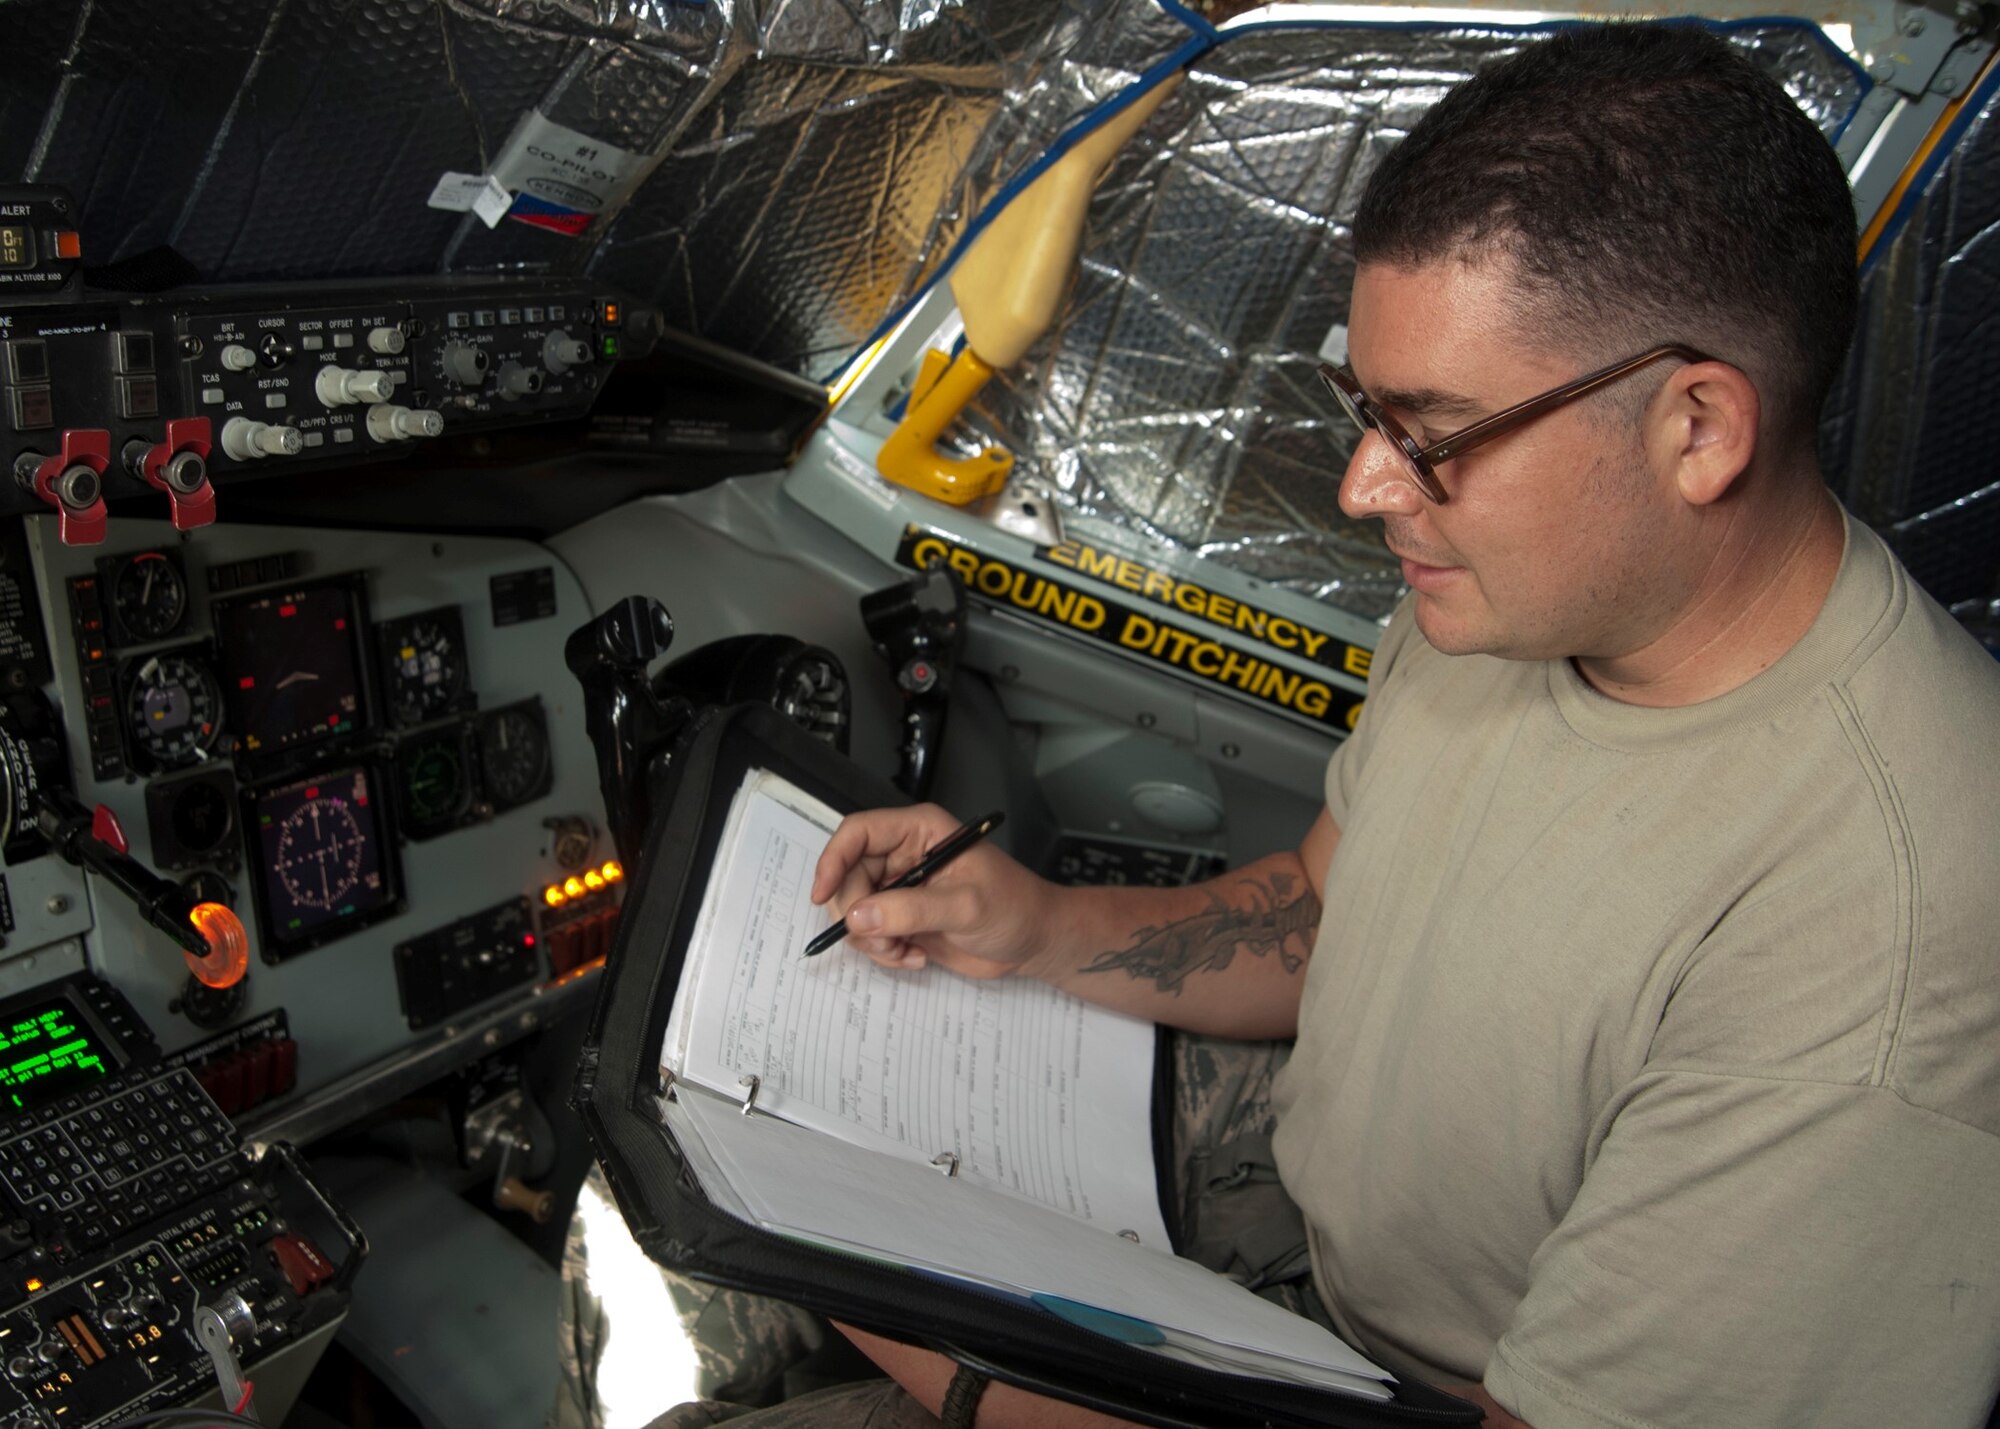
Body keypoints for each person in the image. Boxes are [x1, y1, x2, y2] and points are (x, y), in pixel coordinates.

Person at [642, 21, 2000, 1429]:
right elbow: (1316, 906)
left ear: (1700, 429)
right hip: (1288, 1234)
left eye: (1431, 432)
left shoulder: (1889, 935)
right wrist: (1032, 922)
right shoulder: (1507, 595)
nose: (1364, 486)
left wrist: (965, 1374)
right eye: (1366, 411)